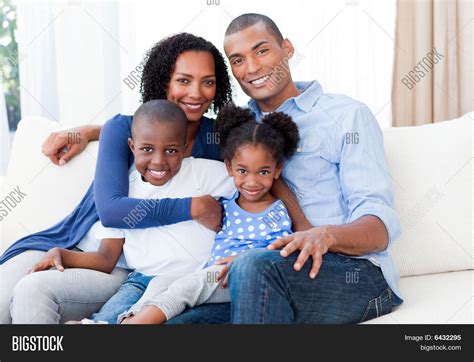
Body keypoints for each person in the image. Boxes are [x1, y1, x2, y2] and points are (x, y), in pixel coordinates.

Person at [0, 33, 235, 324]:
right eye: (183, 80)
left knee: (32, 292)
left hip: (122, 264)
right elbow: (111, 211)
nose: (197, 93)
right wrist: (194, 206)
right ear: (164, 80)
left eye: (208, 81)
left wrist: (304, 226)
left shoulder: (218, 139)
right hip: (73, 242)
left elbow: (265, 168)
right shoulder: (123, 127)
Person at [28, 99, 236, 324]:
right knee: (106, 319)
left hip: (191, 279)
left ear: (185, 148)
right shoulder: (123, 193)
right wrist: (63, 254)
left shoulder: (202, 172)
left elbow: (252, 186)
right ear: (131, 146)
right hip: (139, 281)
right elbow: (106, 258)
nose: (158, 161)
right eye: (147, 149)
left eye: (171, 151)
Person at [118, 105, 299, 324]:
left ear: (277, 170)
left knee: (188, 286)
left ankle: (137, 325)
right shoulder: (227, 203)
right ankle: (130, 317)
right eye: (242, 171)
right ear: (229, 168)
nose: (252, 182)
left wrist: (242, 261)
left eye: (263, 172)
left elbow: (280, 251)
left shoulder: (276, 212)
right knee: (161, 281)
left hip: (237, 279)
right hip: (212, 273)